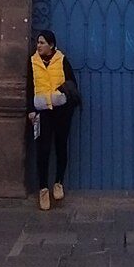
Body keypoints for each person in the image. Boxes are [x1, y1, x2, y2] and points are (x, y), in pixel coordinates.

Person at [27, 30, 78, 211]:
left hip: (61, 111)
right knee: (43, 149)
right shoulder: (33, 62)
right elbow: (29, 87)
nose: (38, 46)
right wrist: (31, 110)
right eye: (38, 43)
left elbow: (72, 83)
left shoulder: (62, 60)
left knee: (60, 146)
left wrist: (62, 97)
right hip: (42, 112)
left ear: (51, 45)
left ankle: (58, 182)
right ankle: (43, 189)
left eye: (42, 43)